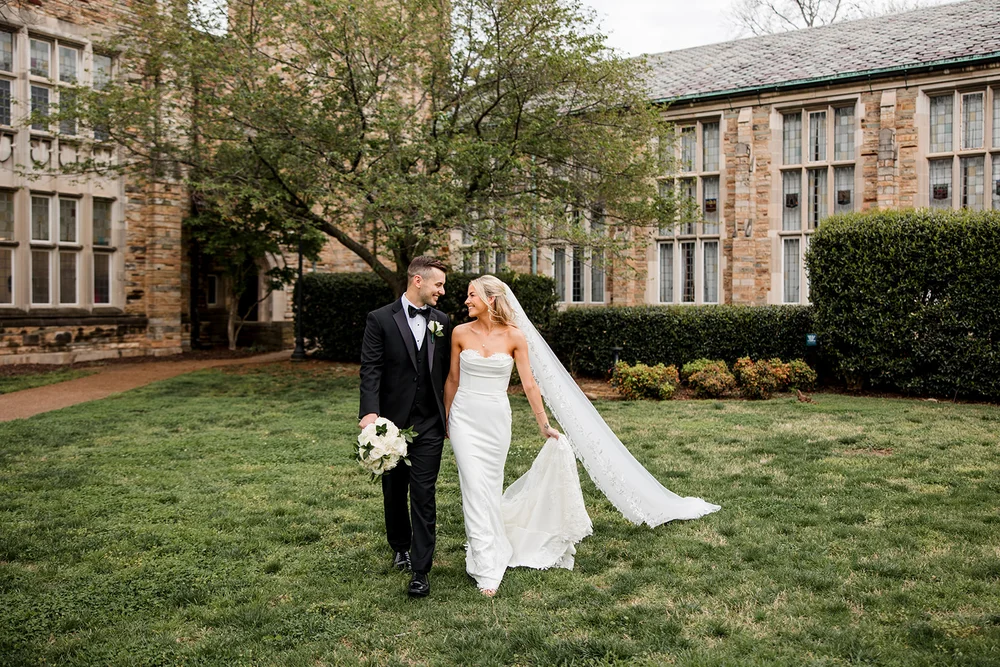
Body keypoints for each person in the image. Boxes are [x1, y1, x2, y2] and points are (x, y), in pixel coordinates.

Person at [445, 275, 721, 597]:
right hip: (464, 417)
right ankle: (485, 564)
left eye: (471, 295)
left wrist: (542, 423)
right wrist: (447, 417)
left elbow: (530, 385)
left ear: (490, 299)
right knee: (472, 486)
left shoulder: (514, 337)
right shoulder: (459, 333)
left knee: (489, 487)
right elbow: (453, 378)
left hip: (495, 421)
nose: (466, 301)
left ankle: (494, 542)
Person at [359, 257, 450, 598]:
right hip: (392, 423)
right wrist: (370, 413)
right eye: (438, 284)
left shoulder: (442, 321)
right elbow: (371, 369)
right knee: (394, 490)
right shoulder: (380, 319)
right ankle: (399, 544)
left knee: (424, 494)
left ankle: (421, 569)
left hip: (429, 422)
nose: (442, 291)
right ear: (417, 281)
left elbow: (446, 371)